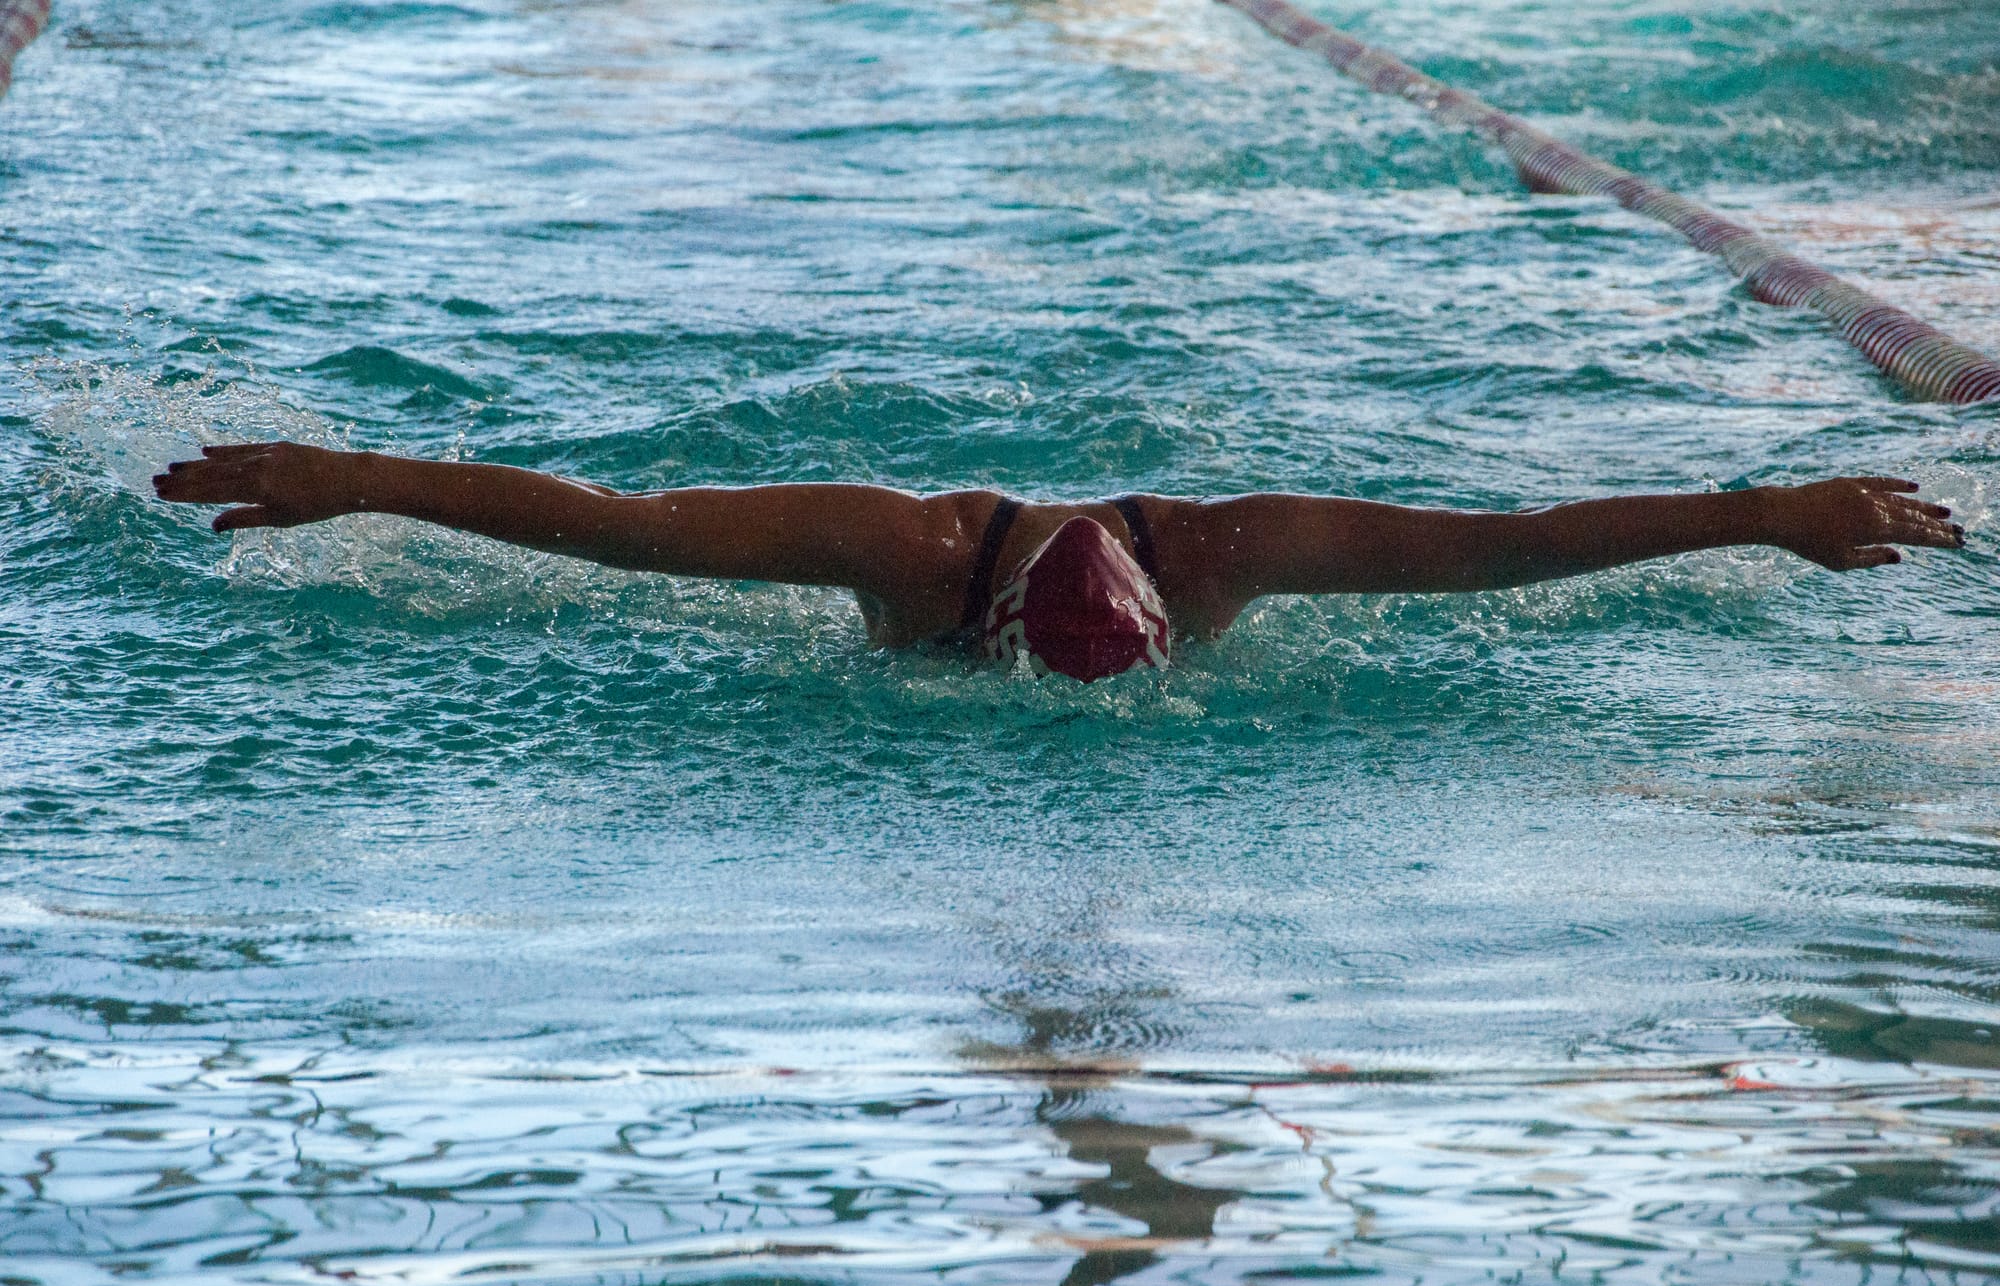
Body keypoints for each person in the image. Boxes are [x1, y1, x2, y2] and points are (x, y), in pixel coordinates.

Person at [153, 441, 1965, 681]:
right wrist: (346, 481)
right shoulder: (899, 552)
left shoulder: (1244, 550)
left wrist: (1767, 513)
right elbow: (618, 535)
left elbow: (1519, 548)